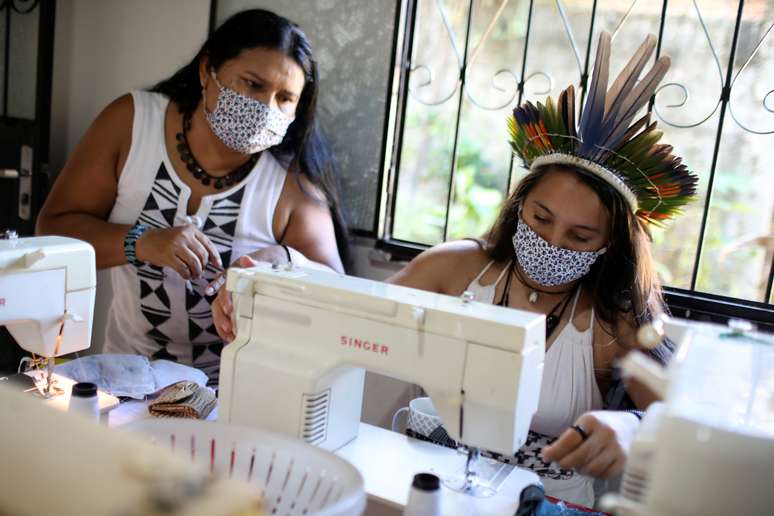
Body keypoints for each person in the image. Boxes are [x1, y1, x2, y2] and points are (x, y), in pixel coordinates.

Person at [388, 31, 698, 507]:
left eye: (579, 236)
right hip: (430, 481)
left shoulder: (611, 323)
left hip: (549, 501)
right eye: (541, 218)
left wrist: (633, 426)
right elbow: (353, 320)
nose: (552, 242)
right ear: (519, 207)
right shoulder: (450, 270)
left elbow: (685, 419)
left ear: (608, 245)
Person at [36, 9, 348, 382]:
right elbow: (53, 231)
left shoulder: (292, 183)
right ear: (206, 71)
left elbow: (338, 289)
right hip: (124, 383)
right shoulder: (132, 124)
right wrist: (141, 241)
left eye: (285, 98)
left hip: (236, 395)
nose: (266, 109)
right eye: (252, 85)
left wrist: (280, 261)